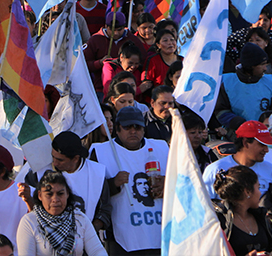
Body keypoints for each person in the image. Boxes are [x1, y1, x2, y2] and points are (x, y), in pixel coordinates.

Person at [90, 106, 168, 254]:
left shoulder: (161, 148)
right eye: (127, 127)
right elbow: (91, 192)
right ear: (117, 129)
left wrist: (168, 183)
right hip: (122, 238)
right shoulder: (101, 152)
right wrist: (113, 184)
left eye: (138, 127)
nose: (133, 131)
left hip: (161, 234)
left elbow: (184, 182)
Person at [23, 131, 110, 230]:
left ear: (75, 159)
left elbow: (104, 210)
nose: (55, 163)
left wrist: (89, 231)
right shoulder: (40, 172)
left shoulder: (97, 173)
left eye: (60, 160)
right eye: (53, 157)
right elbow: (31, 205)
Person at [15, 171, 107, 256]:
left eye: (60, 194)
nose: (55, 199)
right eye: (49, 194)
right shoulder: (29, 222)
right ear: (40, 195)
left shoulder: (80, 219)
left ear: (67, 194)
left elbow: (97, 251)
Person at [203, 120, 272, 198]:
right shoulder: (215, 169)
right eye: (262, 144)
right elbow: (204, 203)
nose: (266, 150)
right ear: (245, 143)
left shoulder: (270, 170)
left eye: (267, 145)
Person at [217, 42, 272, 134]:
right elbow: (220, 111)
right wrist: (239, 123)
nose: (265, 68)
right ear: (251, 66)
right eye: (262, 64)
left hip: (265, 133)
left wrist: (268, 118)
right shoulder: (227, 82)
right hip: (237, 134)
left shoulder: (269, 81)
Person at [213, 165, 272, 256]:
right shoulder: (220, 222)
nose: (260, 193)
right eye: (258, 188)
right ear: (247, 192)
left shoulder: (261, 216)